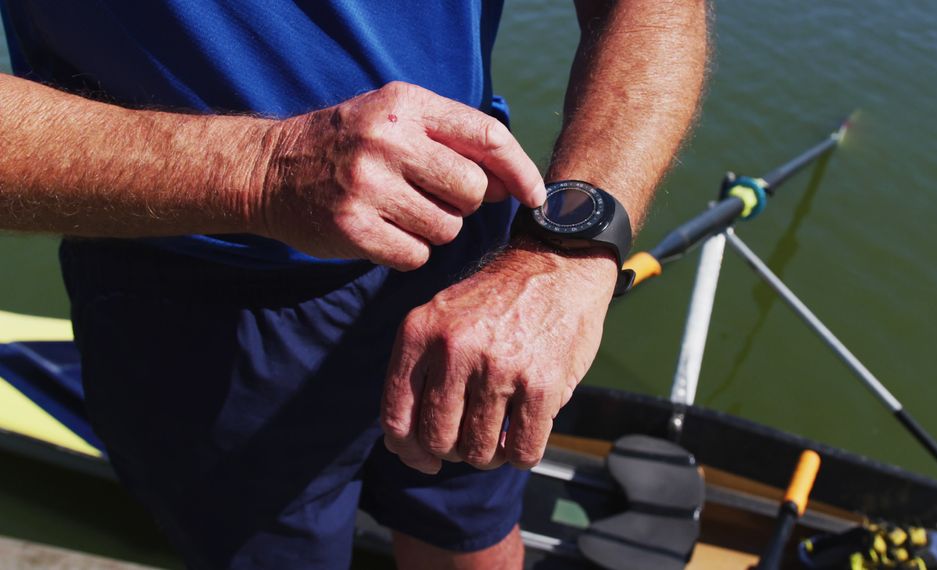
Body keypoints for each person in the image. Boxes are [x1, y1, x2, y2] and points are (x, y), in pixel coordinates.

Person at [0, 0, 708, 568]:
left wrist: (564, 253)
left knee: (477, 529)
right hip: (194, 311)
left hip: (481, 253)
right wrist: (262, 169)